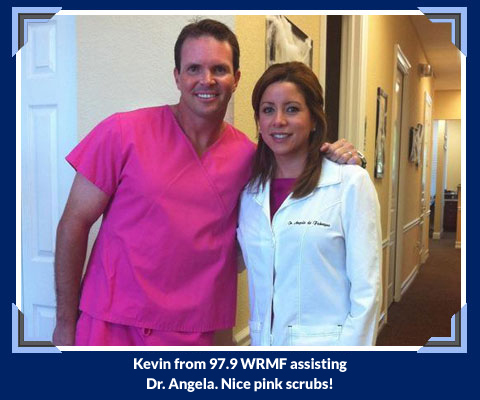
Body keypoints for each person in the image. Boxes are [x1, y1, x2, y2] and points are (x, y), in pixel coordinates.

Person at [52, 19, 363, 346]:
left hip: (197, 333)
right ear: (177, 76)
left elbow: (299, 182)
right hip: (110, 325)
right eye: (194, 69)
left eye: (219, 69)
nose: (207, 80)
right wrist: (65, 323)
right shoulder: (121, 133)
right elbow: (74, 222)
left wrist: (342, 158)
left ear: (236, 78)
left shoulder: (251, 159)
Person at [237, 62, 382, 346]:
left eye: (292, 109)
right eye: (268, 110)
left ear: (314, 119)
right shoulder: (250, 194)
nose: (278, 120)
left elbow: (367, 291)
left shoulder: (349, 183)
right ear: (259, 121)